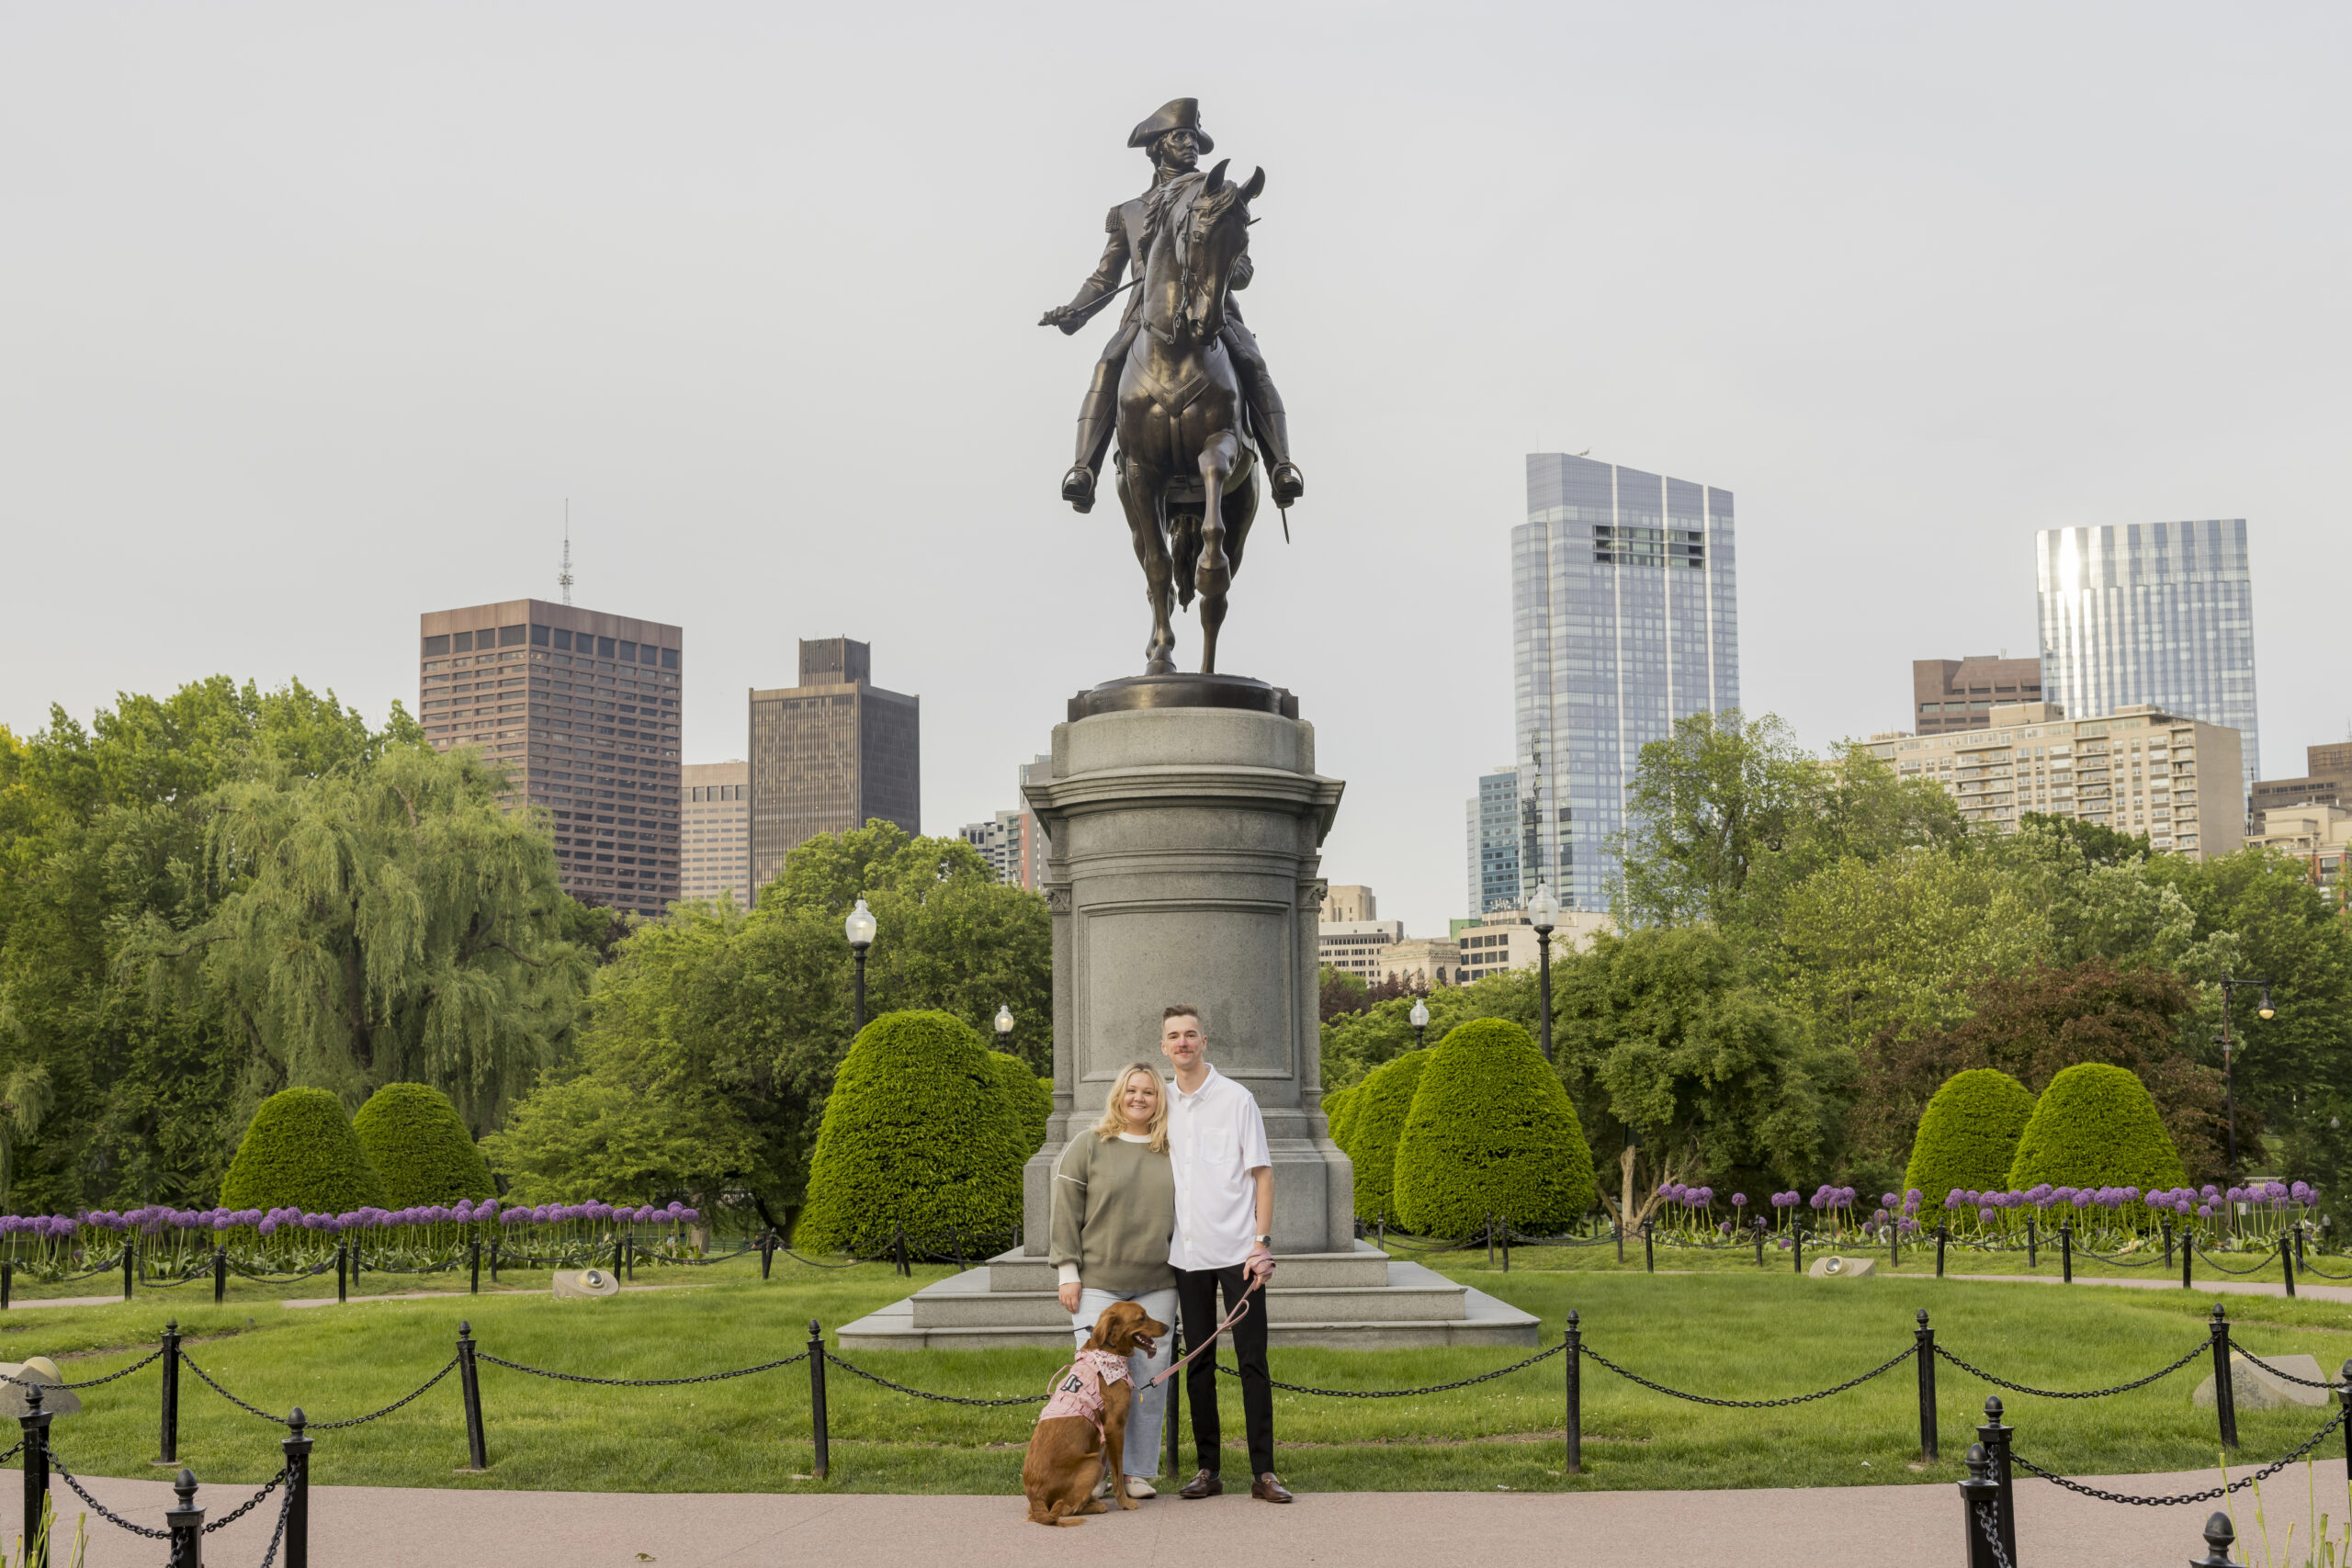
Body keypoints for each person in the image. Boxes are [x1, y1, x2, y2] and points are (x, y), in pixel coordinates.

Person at [1037, 96, 1304, 515]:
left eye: (1194, 137)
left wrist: (1224, 267)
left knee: (1252, 361)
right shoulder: (1128, 211)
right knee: (1108, 363)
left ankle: (1281, 466)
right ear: (1158, 146)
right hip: (1144, 316)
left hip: (1212, 309)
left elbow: (1243, 266)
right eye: (1180, 137)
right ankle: (1083, 470)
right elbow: (1105, 278)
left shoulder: (1213, 193)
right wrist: (1076, 311)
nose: (1191, 145)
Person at [1159, 1004, 1291, 1503]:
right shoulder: (1161, 1103)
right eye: (1174, 1036)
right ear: (1164, 1046)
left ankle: (1264, 1474)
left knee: (1254, 1362)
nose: (1183, 1043)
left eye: (1190, 1035)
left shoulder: (1237, 1099)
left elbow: (1263, 1175)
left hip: (1239, 1254)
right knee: (1199, 1365)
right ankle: (1207, 1469)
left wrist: (1261, 1244)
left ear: (1204, 1041)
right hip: (1186, 1256)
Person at [1049, 1061, 1180, 1499]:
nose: (1139, 1098)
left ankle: (1136, 1471)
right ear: (1118, 1095)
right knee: (1097, 1385)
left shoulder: (1172, 1149)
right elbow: (1066, 1210)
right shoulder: (1088, 1145)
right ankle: (1098, 1472)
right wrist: (1068, 1272)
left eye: (1149, 1092)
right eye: (1132, 1090)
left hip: (1157, 1284)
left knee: (1147, 1379)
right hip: (1098, 1284)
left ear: (1160, 1100)